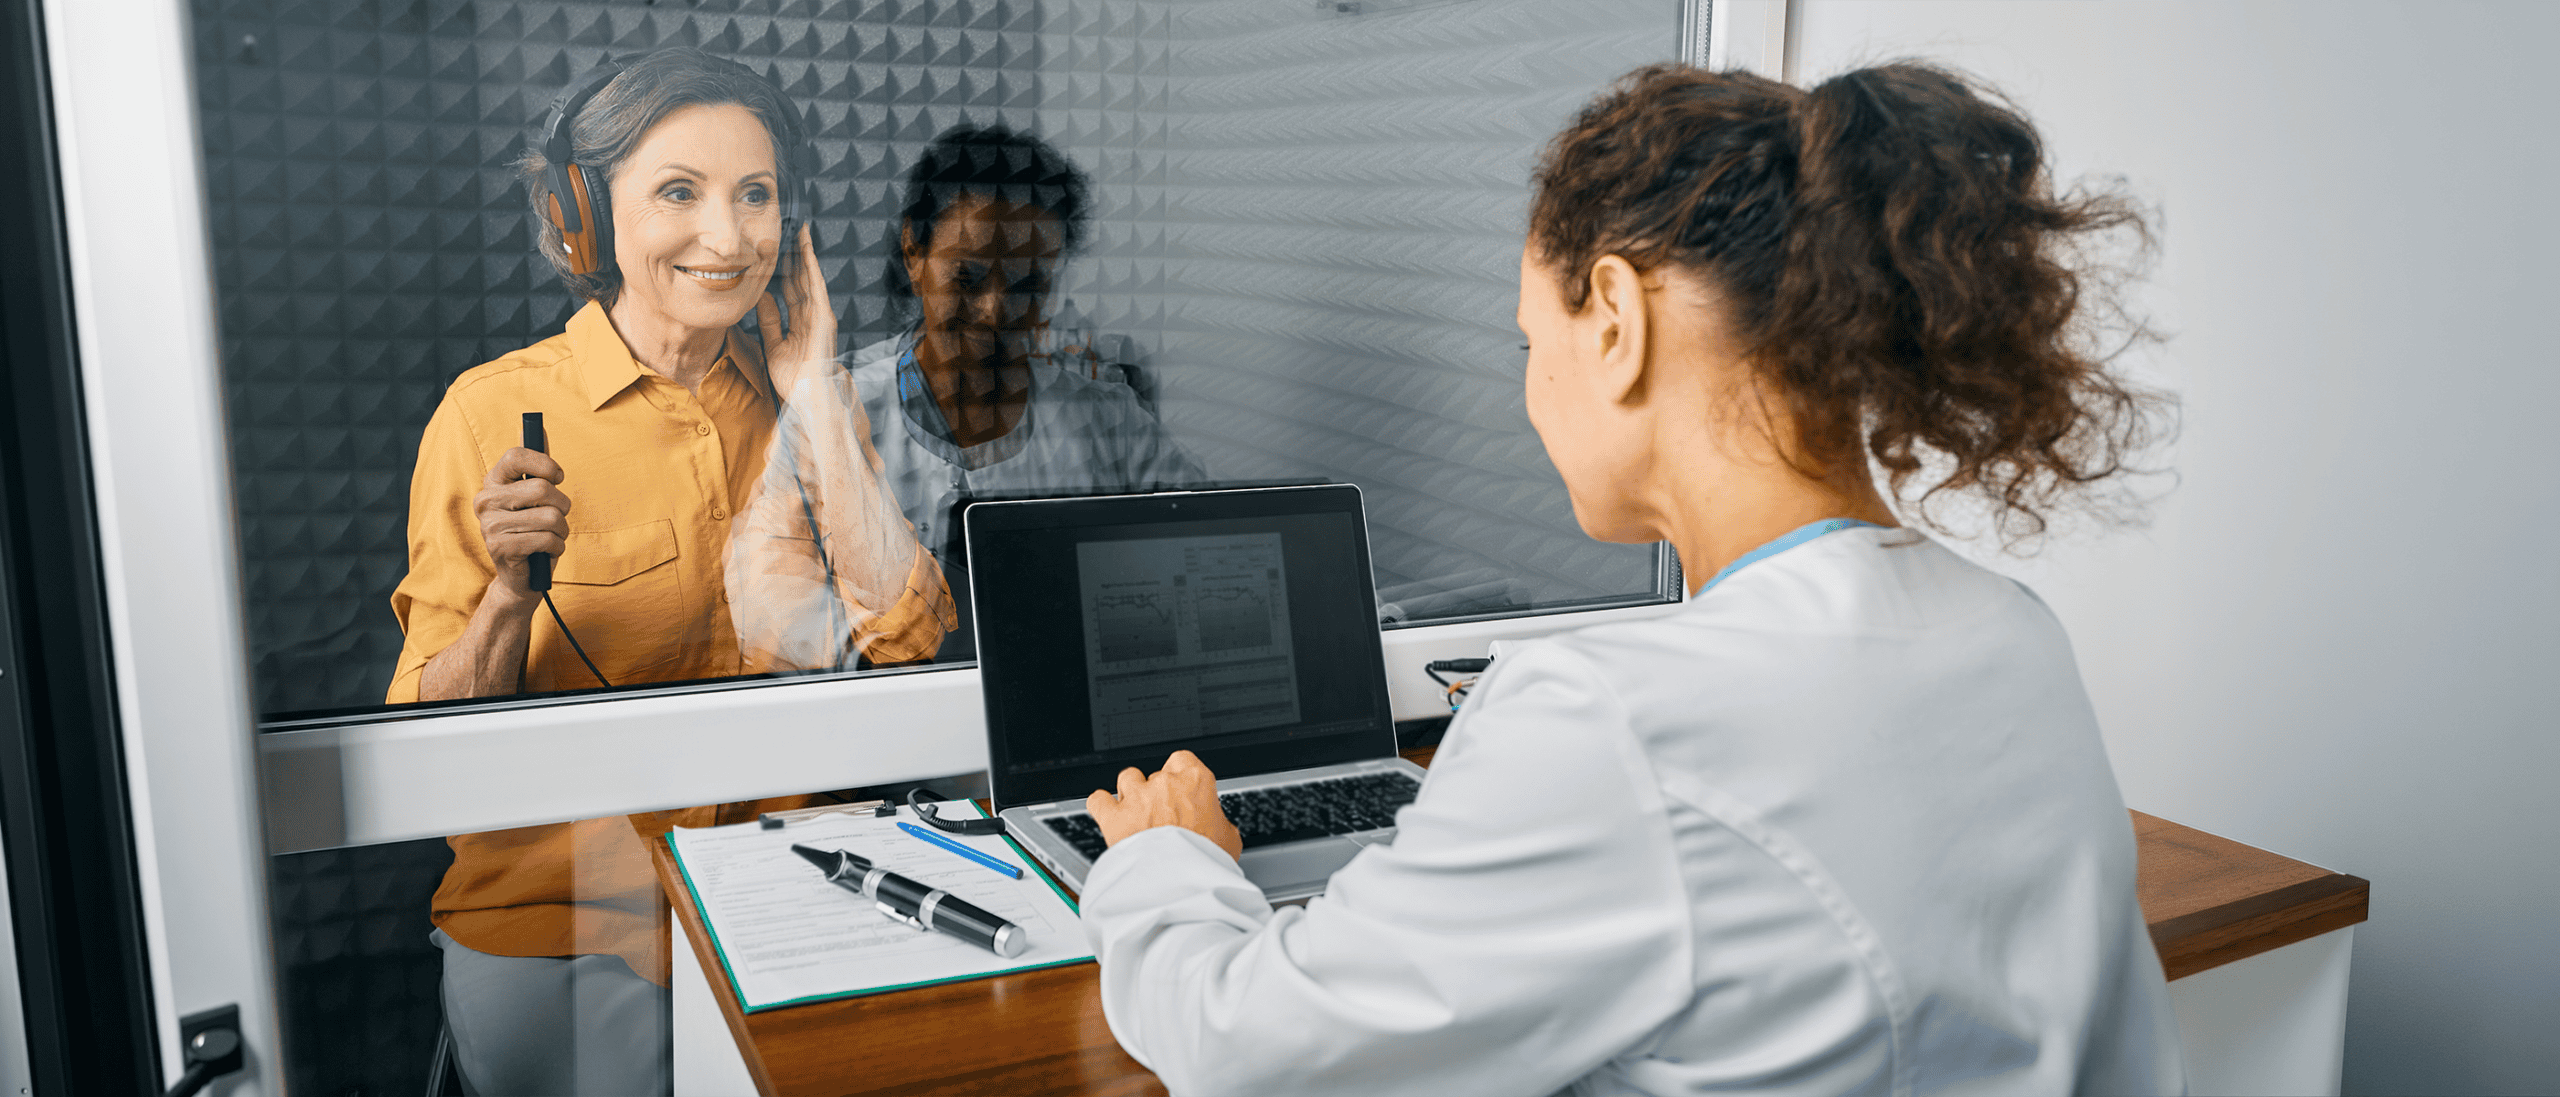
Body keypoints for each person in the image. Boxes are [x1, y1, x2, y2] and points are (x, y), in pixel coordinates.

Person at [1074, 62, 2186, 1096]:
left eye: (1530, 344)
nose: (1530, 393)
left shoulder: (1611, 717)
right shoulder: (2011, 631)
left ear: (1615, 320)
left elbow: (1244, 1045)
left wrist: (1167, 858)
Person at [384, 49, 944, 1094]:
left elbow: (912, 648)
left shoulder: (804, 400)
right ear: (583, 219)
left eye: (755, 194)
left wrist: (816, 392)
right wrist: (508, 597)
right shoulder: (488, 414)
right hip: (569, 918)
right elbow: (431, 752)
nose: (727, 237)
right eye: (679, 192)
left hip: (796, 878)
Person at [729, 124, 1205, 666]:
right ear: (914, 254)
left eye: (1028, 286)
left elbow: (1202, 545)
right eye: (967, 278)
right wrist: (878, 656)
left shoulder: (1105, 420)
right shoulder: (831, 406)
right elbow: (768, 590)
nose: (995, 311)